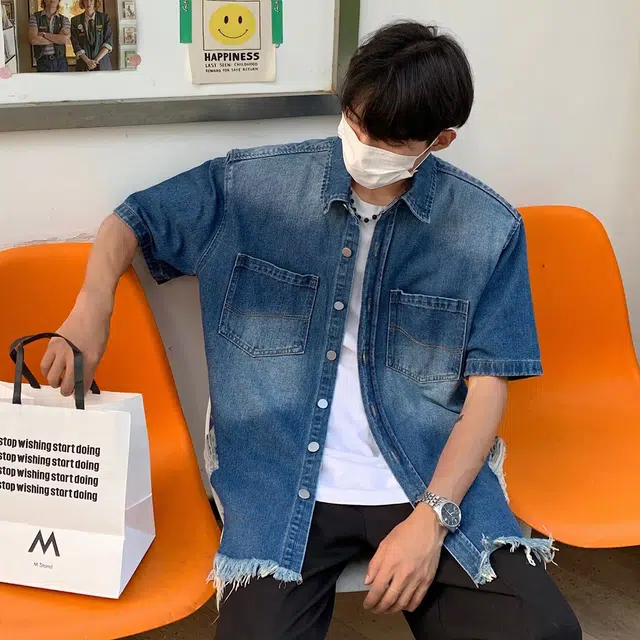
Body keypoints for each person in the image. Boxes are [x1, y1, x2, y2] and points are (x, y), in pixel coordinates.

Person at [41, 21, 582, 640]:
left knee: (543, 632)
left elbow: (488, 389)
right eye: (356, 121)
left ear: (441, 140)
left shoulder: (487, 229)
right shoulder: (255, 188)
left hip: (424, 475)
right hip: (281, 475)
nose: (363, 144)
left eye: (388, 139)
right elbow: (132, 219)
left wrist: (430, 521)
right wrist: (92, 307)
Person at [27, 0, 70, 73]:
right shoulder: (35, 17)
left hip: (60, 62)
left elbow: (65, 40)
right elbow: (33, 40)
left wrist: (44, 35)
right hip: (43, 62)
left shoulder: (64, 19)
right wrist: (57, 38)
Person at [70, 0, 113, 72]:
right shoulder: (75, 20)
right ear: (82, 2)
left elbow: (108, 41)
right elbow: (75, 44)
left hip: (102, 65)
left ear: (95, 1)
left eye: (91, 0)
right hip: (83, 65)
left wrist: (95, 61)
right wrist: (88, 61)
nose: (88, 2)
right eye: (86, 0)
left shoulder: (104, 18)